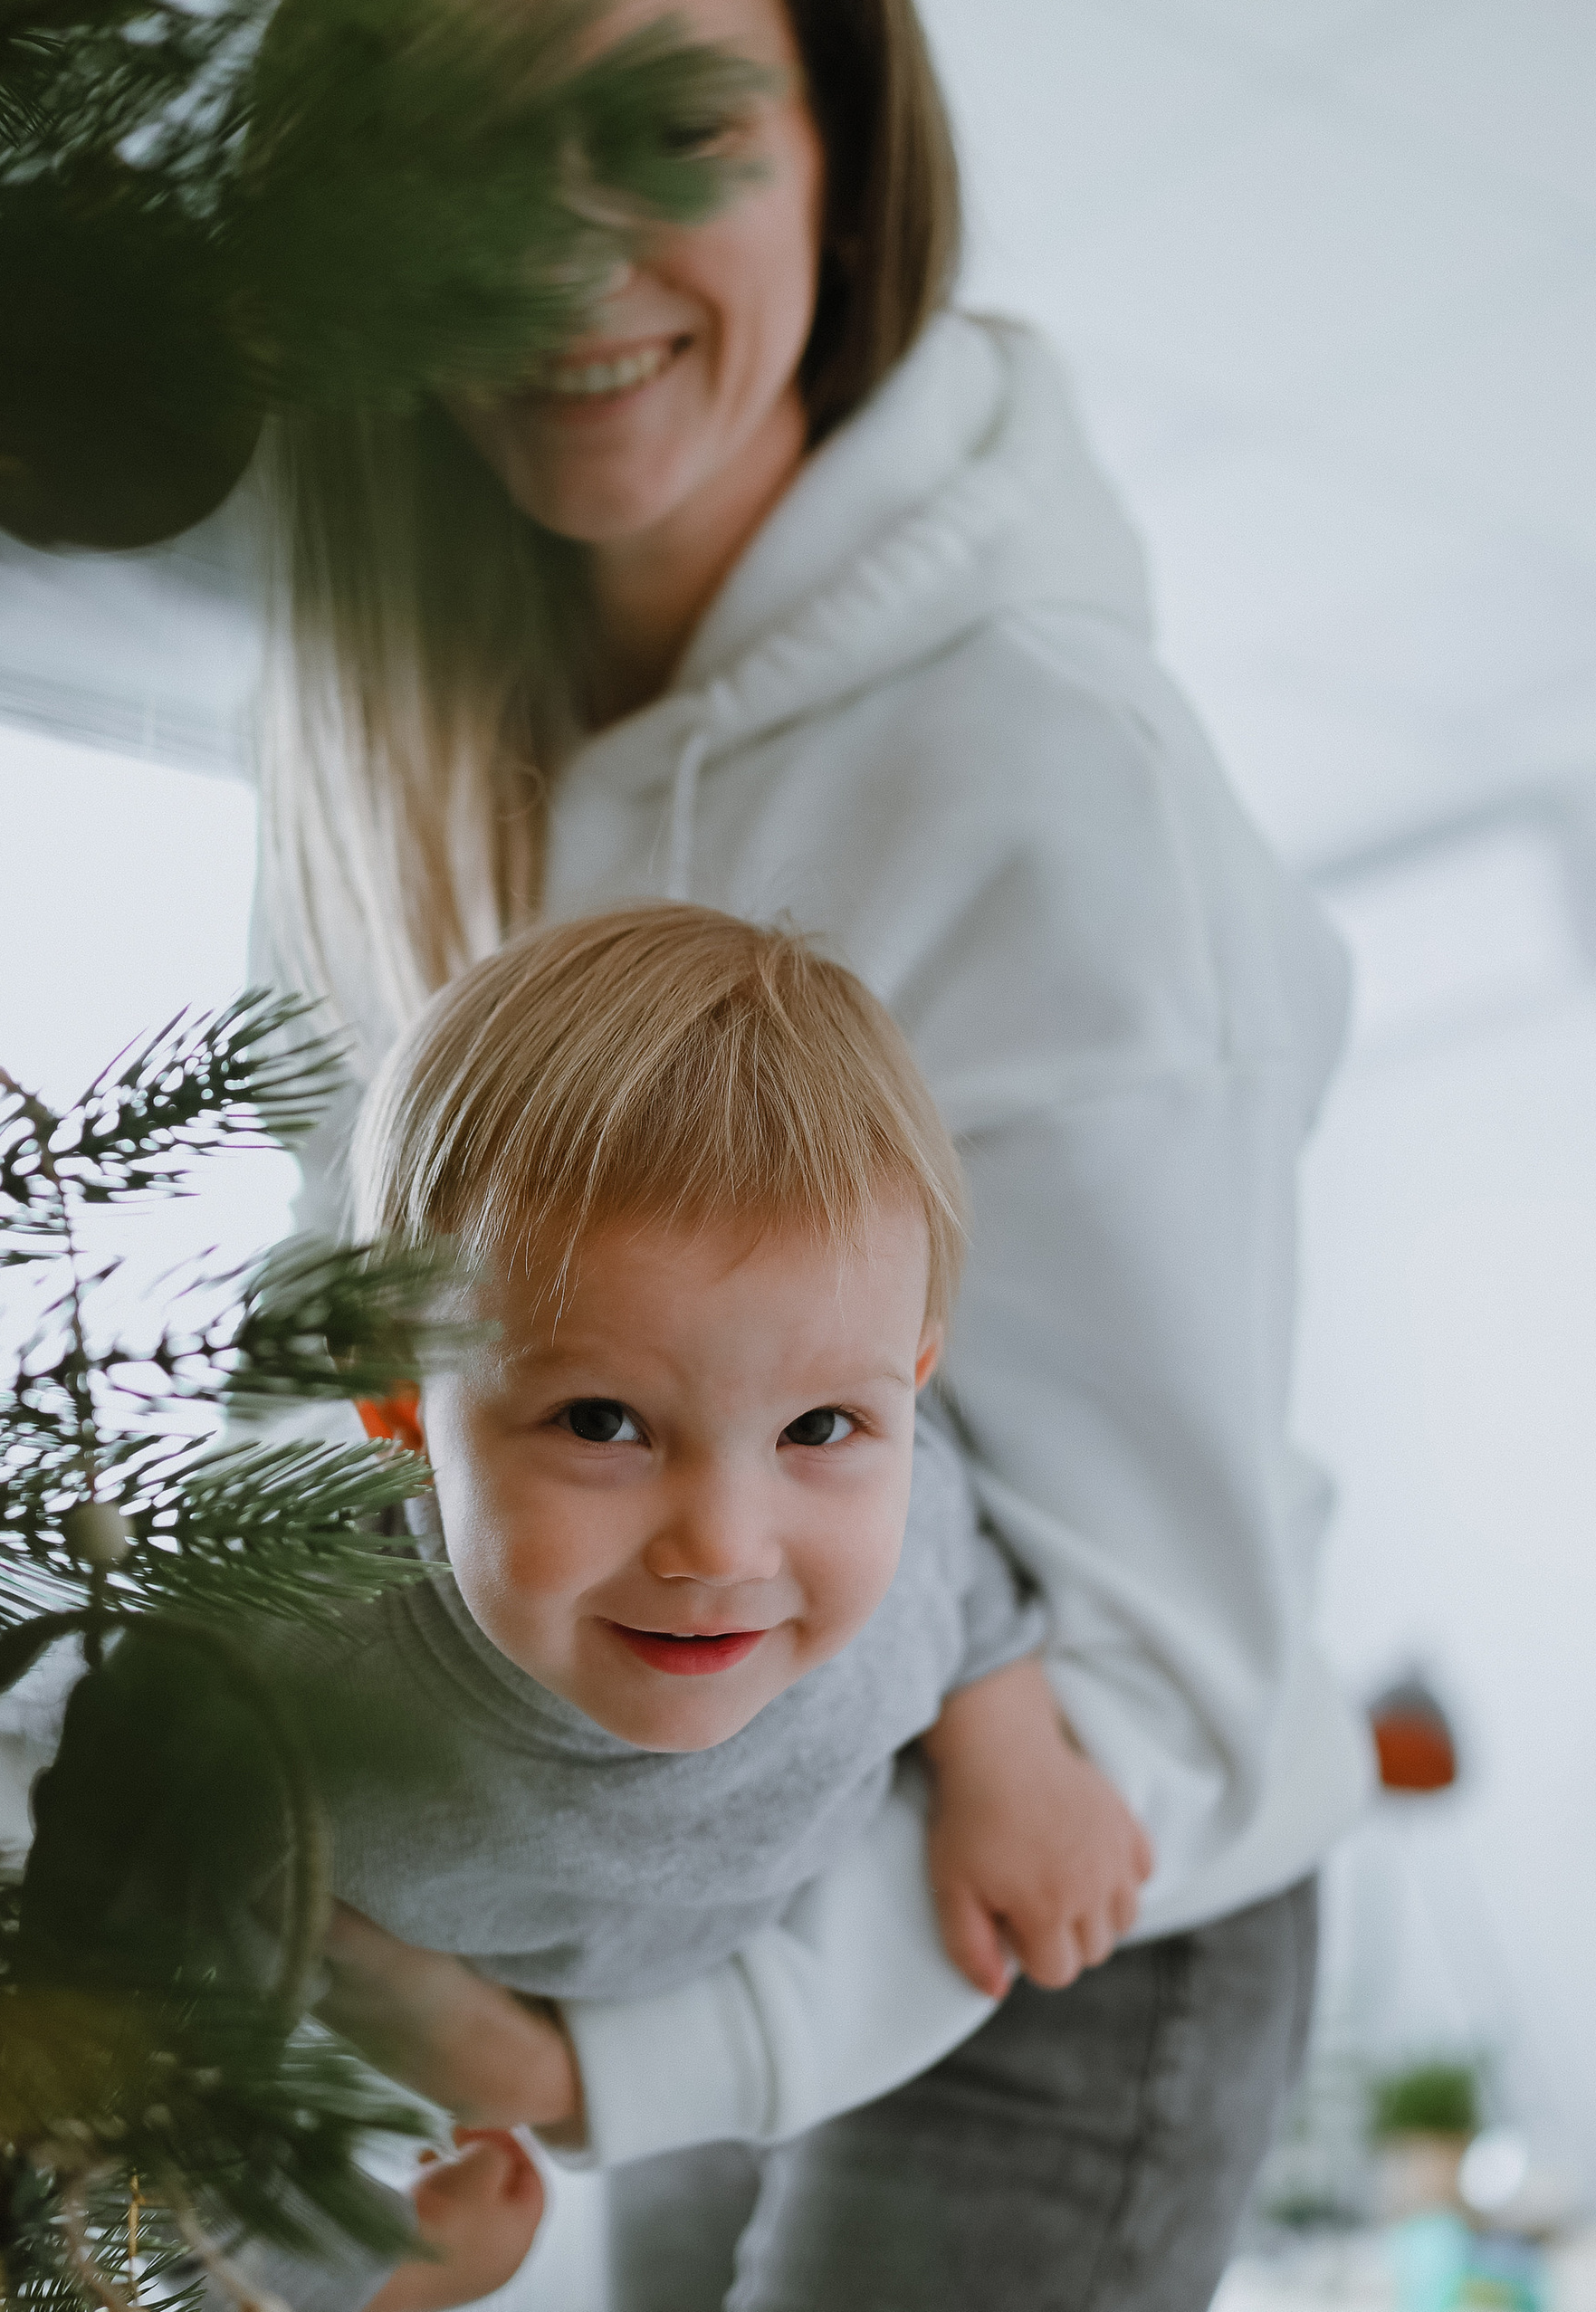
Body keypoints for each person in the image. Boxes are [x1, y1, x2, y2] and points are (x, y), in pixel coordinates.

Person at [241, 0, 1372, 2302]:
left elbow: (1163, 1650)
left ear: (846, 167)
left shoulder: (1044, 769)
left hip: (1044, 1907)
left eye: (665, 123)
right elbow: (341, 1383)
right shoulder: (382, 775)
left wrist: (595, 2061)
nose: (557, 263)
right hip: (652, 1855)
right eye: (457, 156)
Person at [225, 903, 1148, 2310]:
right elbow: (122, 2004)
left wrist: (1010, 1756)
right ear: (402, 1403)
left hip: (706, 2004)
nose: (725, 1545)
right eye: (603, 1421)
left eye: (822, 1427)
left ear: (909, 1385)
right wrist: (346, 2266)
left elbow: (954, 1569)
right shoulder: (290, 1683)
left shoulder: (901, 1542)